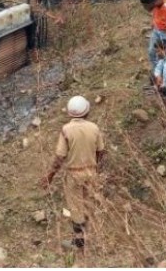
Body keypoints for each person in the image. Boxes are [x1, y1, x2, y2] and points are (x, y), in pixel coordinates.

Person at [43, 95, 104, 250]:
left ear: (70, 113)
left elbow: (60, 157)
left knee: (76, 208)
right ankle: (91, 235)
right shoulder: (94, 128)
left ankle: (79, 243)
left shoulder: (66, 130)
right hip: (91, 172)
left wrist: (50, 176)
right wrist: (96, 168)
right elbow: (101, 151)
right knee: (88, 203)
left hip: (74, 174)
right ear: (87, 112)